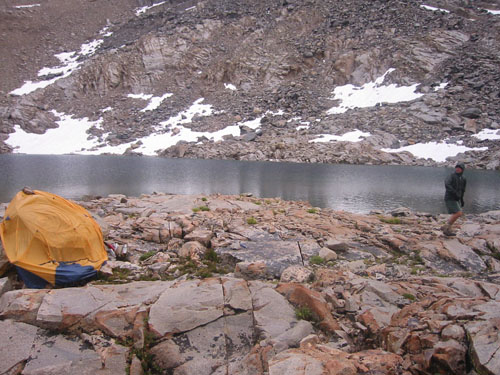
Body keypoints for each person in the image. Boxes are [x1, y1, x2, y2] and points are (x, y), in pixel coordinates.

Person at [441, 162, 466, 236]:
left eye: (460, 168)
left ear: (462, 169)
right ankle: (446, 228)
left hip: (457, 198)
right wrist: (455, 193)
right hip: (450, 197)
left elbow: (463, 189)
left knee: (458, 213)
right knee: (458, 213)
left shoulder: (463, 178)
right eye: (457, 167)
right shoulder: (451, 176)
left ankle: (447, 227)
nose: (458, 169)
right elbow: (447, 184)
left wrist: (461, 199)